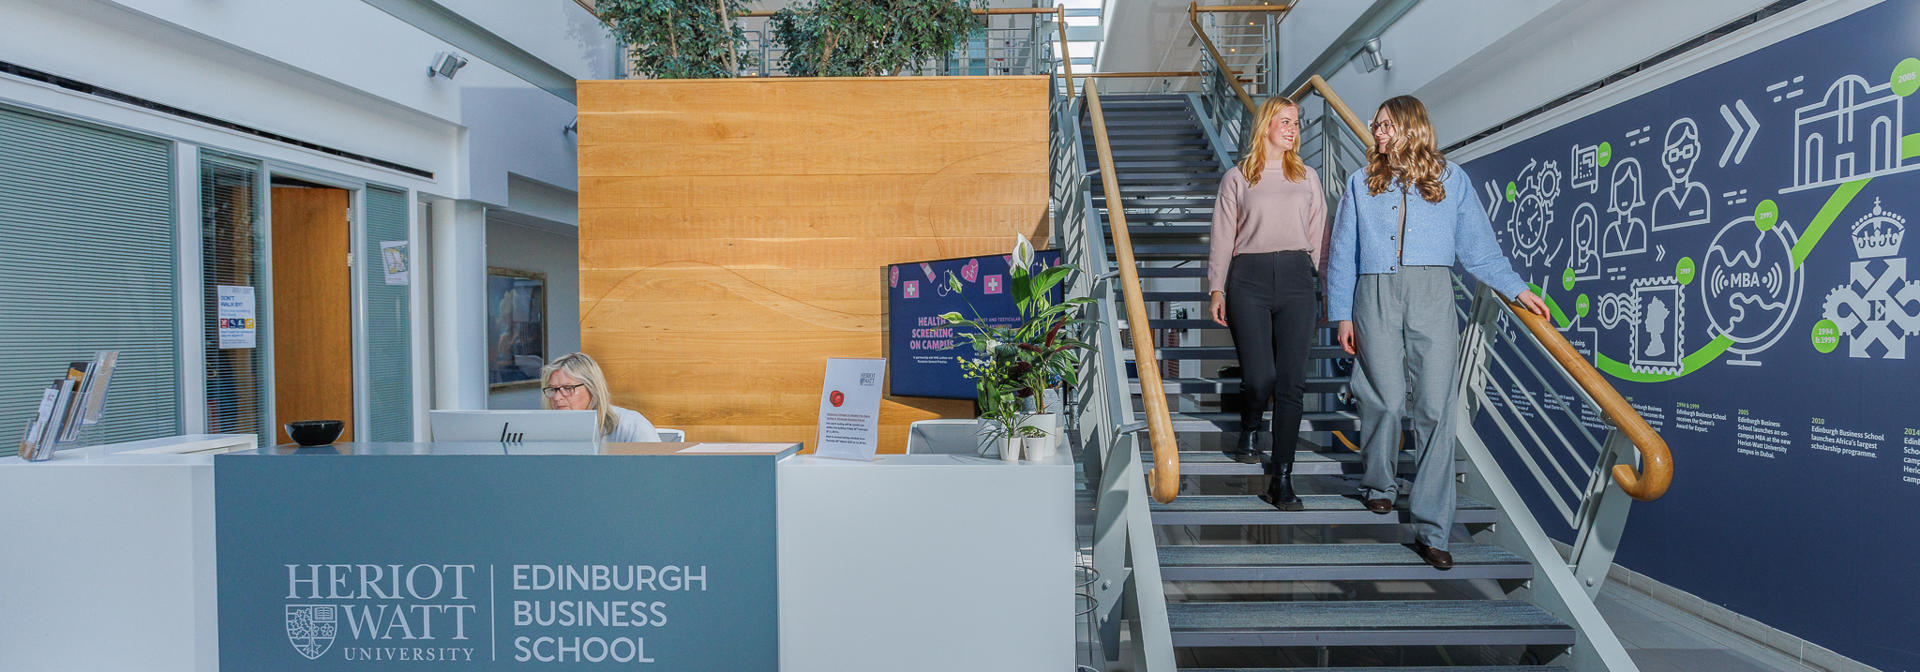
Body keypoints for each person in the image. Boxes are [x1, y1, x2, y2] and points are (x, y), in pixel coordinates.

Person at [1324, 95, 1548, 569]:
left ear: (1410, 127)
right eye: (1375, 125)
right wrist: (1343, 313)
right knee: (1382, 399)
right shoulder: (1361, 182)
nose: (1376, 133)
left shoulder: (1452, 180)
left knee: (1435, 410)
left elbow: (1480, 250)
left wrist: (1515, 288)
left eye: (1384, 125)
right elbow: (1343, 251)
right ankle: (1379, 483)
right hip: (1375, 291)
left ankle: (1432, 529)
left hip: (1433, 294)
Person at [1207, 95, 1327, 512]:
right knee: (1260, 378)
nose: (1293, 128)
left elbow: (1318, 235)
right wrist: (1217, 288)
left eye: (1297, 122)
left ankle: (1282, 478)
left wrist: (1319, 282)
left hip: (1297, 278)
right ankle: (1250, 424)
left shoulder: (1308, 177)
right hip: (1249, 282)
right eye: (1285, 121)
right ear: (1266, 126)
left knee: (1292, 384)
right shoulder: (1237, 177)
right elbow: (1224, 236)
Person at [539, 352, 661, 442]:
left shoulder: (632, 426)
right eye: (552, 389)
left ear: (592, 389)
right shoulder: (543, 433)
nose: (556, 397)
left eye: (567, 388)